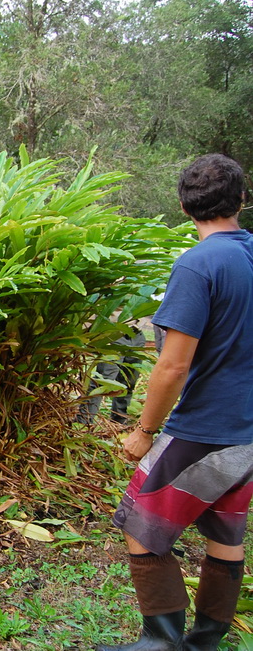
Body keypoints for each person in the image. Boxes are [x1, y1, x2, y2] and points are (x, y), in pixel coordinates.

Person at [96, 153, 253, 651]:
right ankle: (207, 638)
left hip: (205, 428)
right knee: (226, 533)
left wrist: (143, 431)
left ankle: (161, 640)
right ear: (243, 201)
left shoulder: (198, 265)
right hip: (248, 431)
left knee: (139, 522)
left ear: (184, 205)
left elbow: (172, 365)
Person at [79, 325, 147, 425]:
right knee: (103, 381)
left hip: (137, 335)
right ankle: (84, 423)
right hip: (115, 332)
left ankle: (119, 421)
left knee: (128, 382)